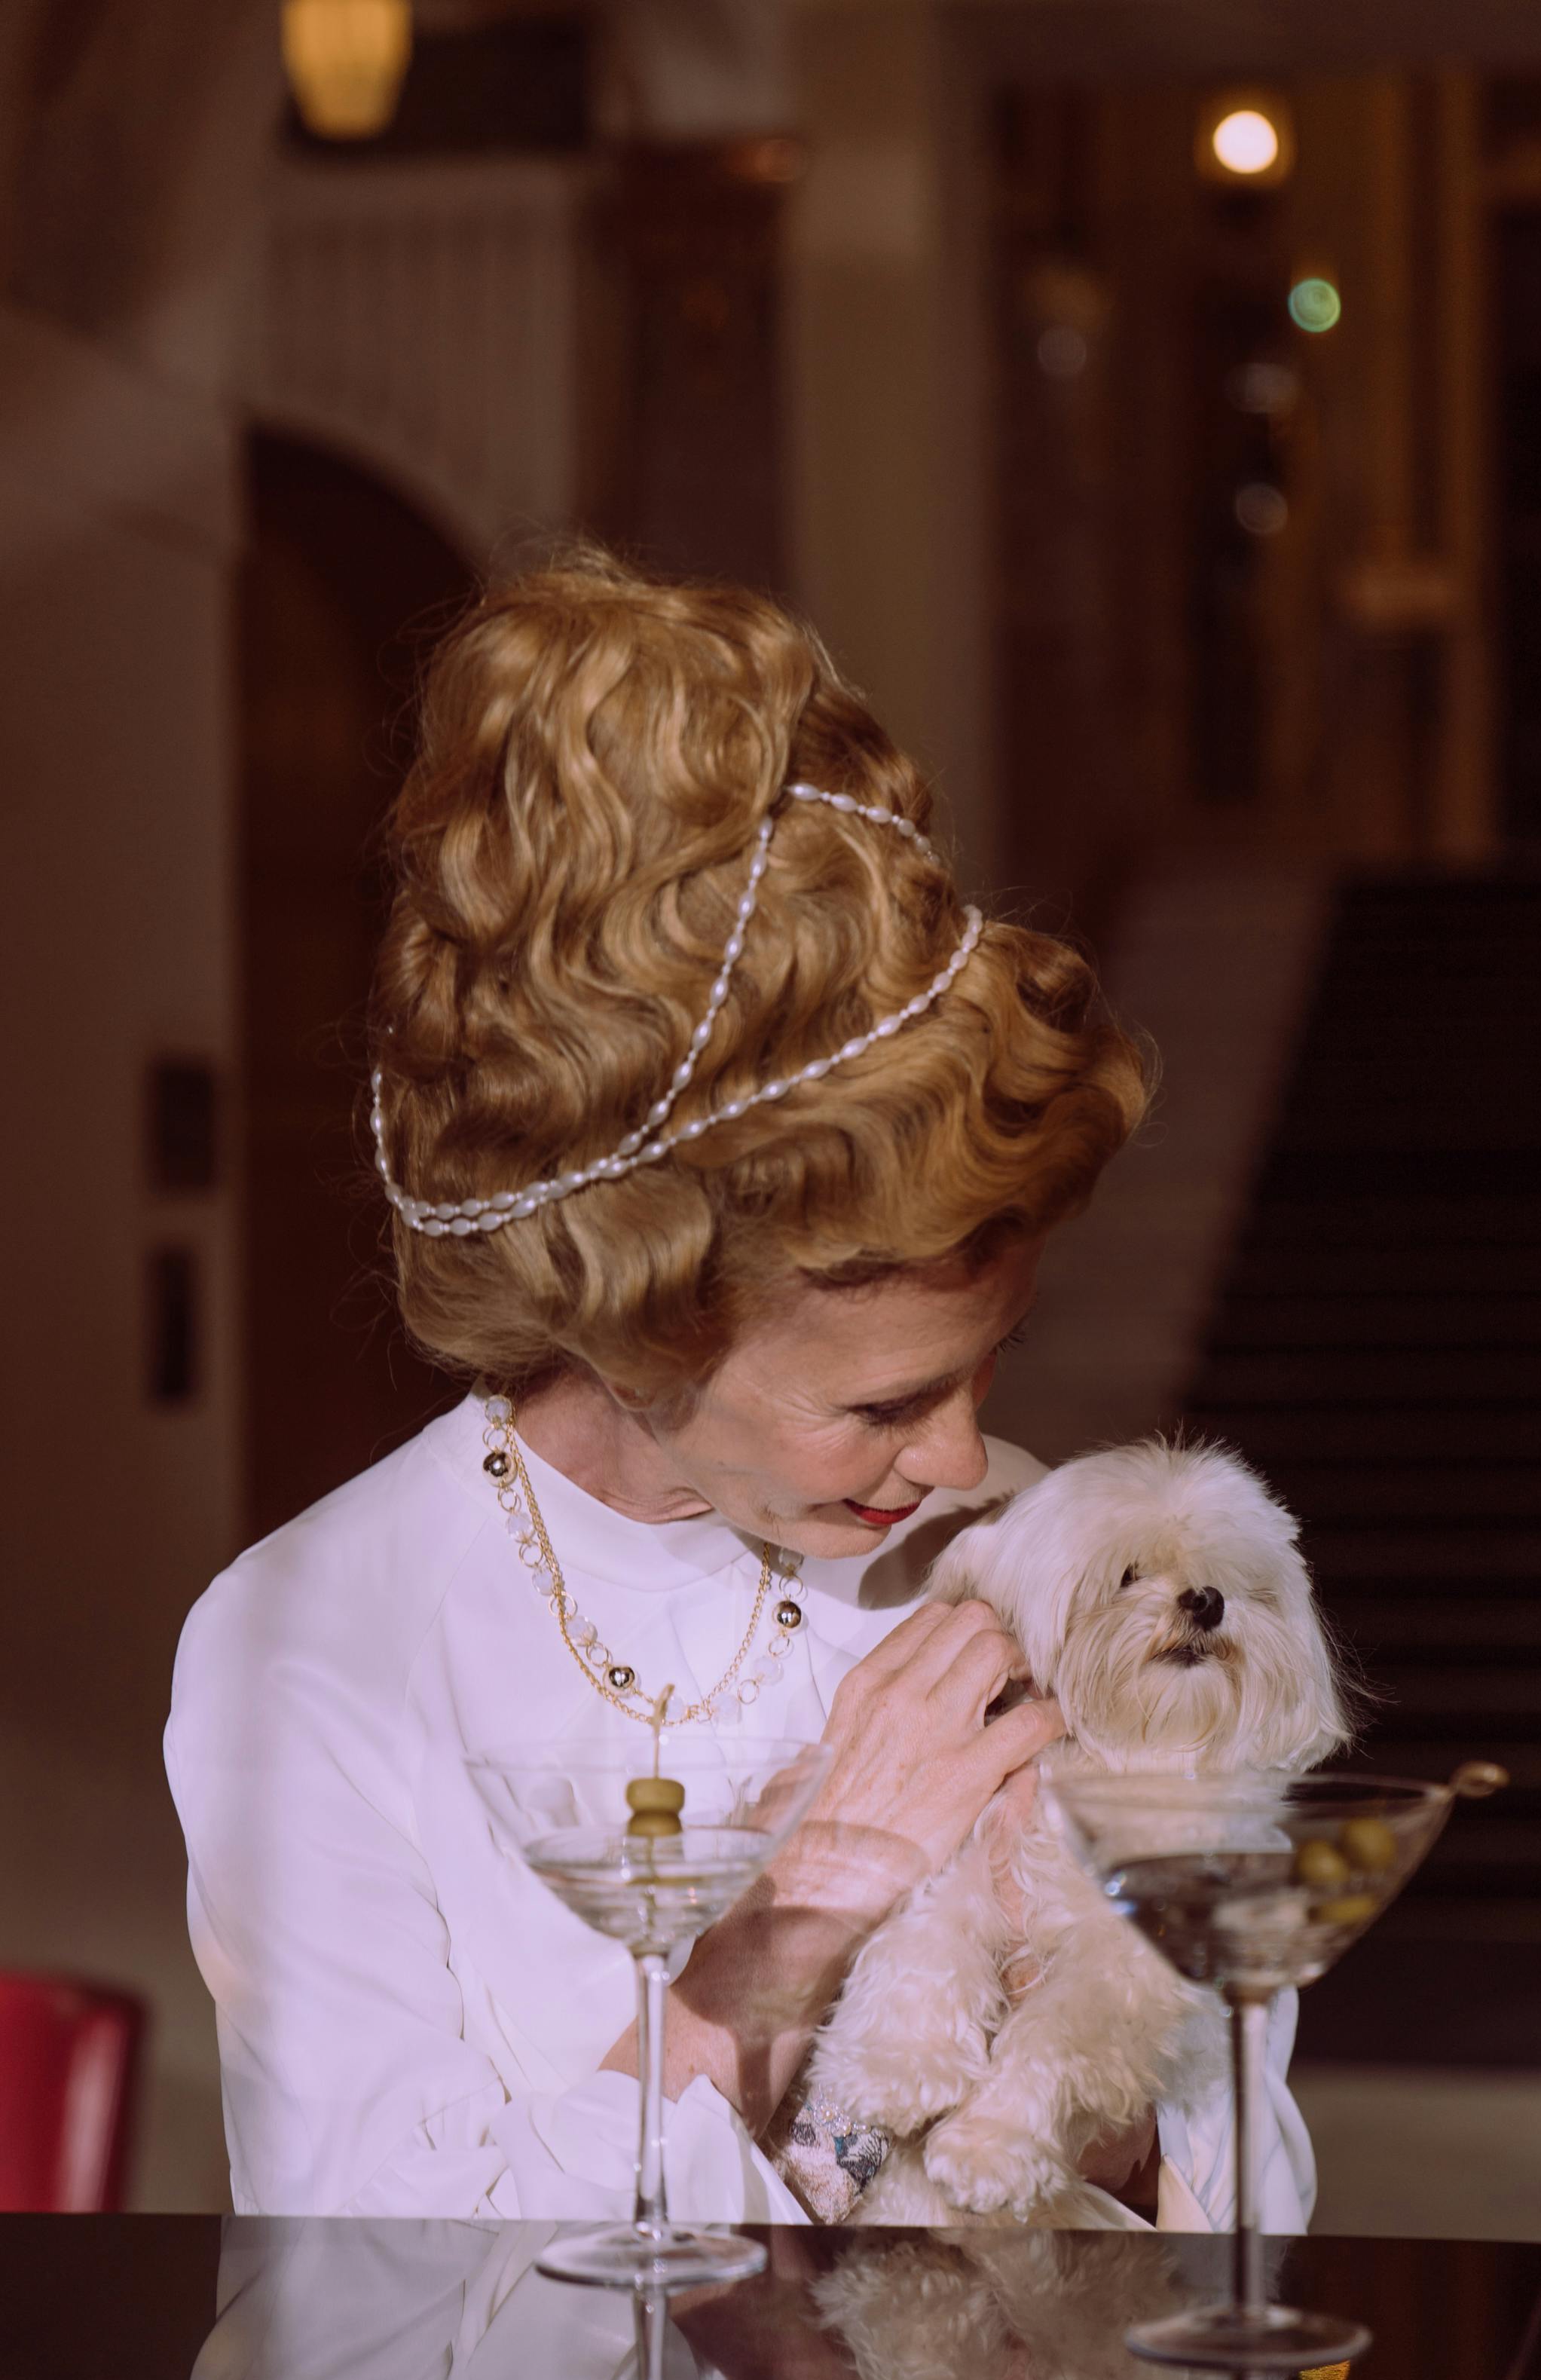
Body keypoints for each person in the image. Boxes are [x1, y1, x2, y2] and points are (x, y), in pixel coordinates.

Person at [166, 547, 1313, 2231]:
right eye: (876, 1407)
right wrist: (804, 1912)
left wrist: (1087, 2055)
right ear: (636, 1325)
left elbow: (1252, 2200)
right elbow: (375, 2321)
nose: (964, 1454)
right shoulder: (315, 1641)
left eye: (988, 1365)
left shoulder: (1031, 1560)